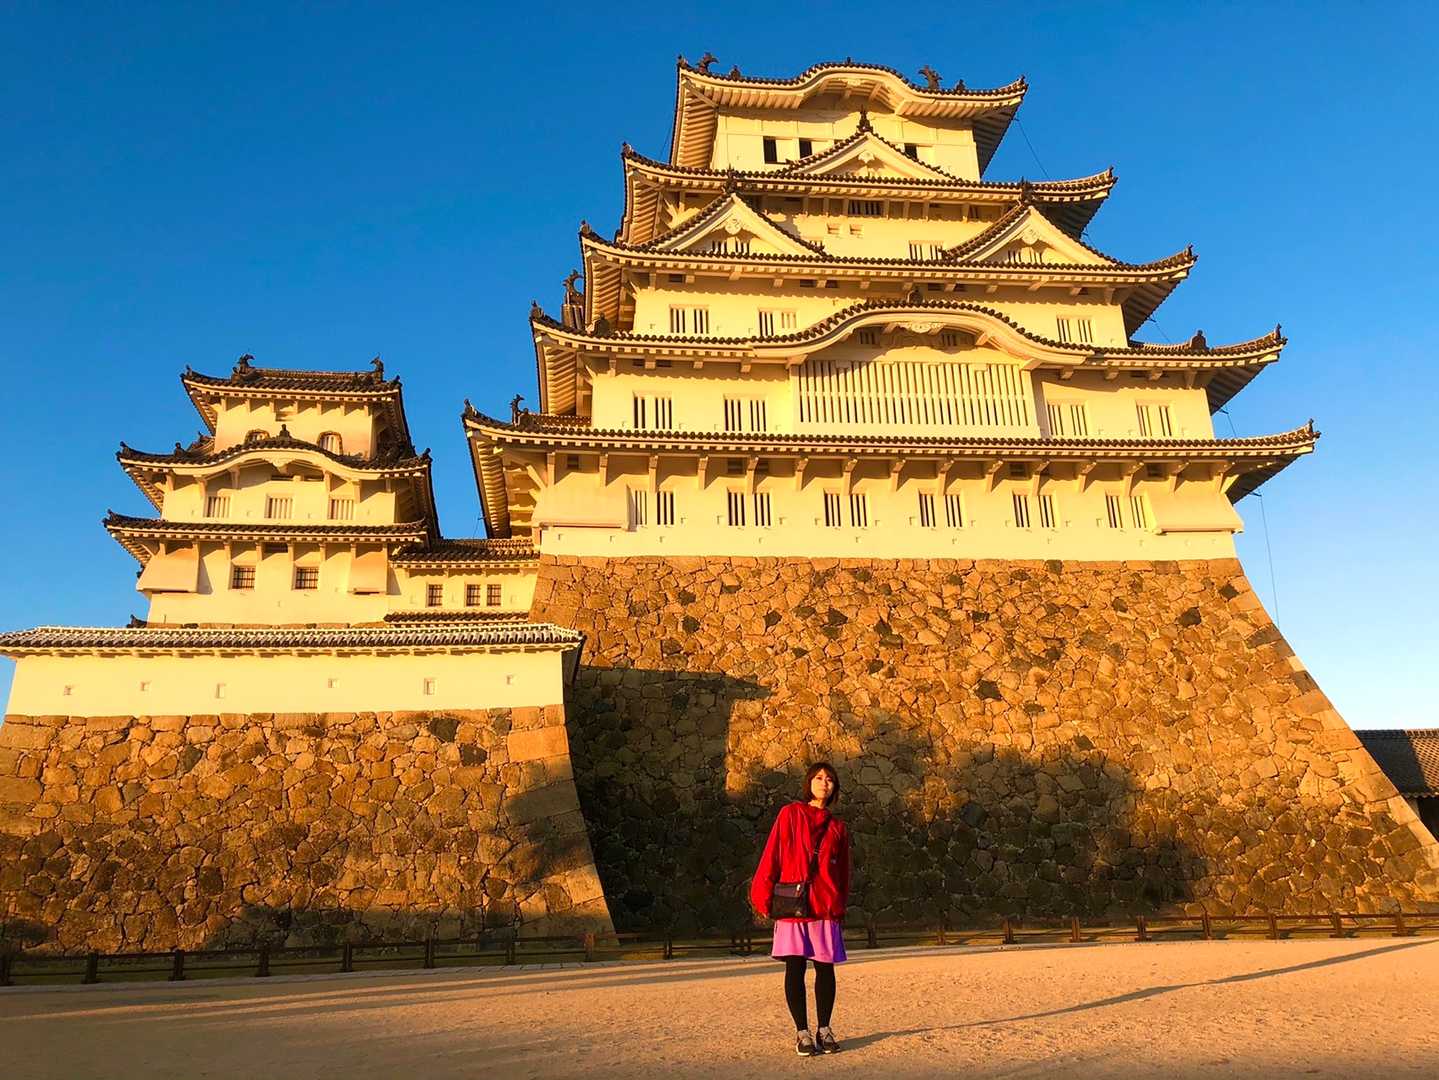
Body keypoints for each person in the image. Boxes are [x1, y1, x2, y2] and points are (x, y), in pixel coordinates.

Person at [750, 762, 852, 1056]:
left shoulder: (837, 827)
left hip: (824, 904)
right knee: (795, 967)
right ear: (809, 783)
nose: (824, 783)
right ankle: (802, 1032)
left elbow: (843, 872)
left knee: (825, 968)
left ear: (834, 788)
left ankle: (825, 1029)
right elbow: (773, 853)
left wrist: (839, 904)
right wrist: (763, 895)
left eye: (830, 779)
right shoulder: (790, 814)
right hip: (794, 902)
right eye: (819, 778)